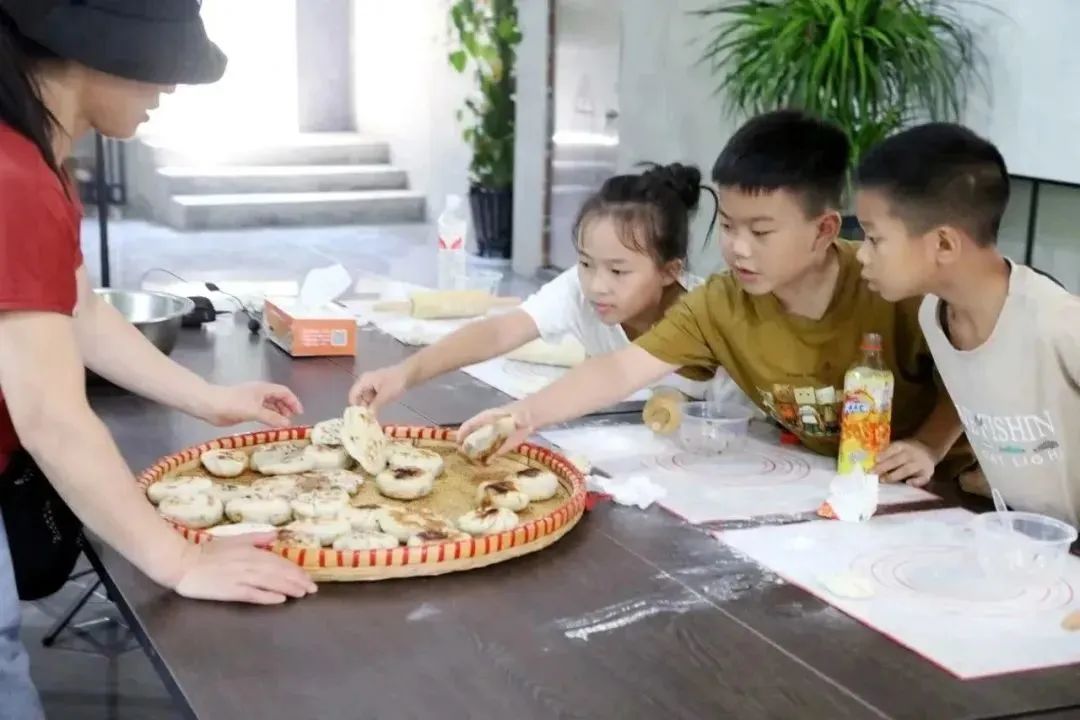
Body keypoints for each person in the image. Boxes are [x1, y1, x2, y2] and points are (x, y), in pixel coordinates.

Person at [0, 1, 316, 716]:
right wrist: (180, 559)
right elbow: (50, 416)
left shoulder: (36, 159)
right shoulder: (13, 178)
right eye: (159, 67)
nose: (168, 88)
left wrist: (208, 399)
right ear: (89, 52)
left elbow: (80, 311)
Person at [457, 110, 971, 486]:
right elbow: (618, 371)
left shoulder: (890, 283)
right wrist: (523, 416)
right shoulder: (721, 303)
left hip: (944, 483)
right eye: (727, 225)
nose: (738, 248)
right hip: (838, 481)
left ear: (823, 230)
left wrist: (929, 445)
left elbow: (973, 367)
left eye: (761, 232)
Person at [349, 163, 739, 410]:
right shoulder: (577, 292)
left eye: (619, 271)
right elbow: (499, 331)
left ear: (670, 271)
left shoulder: (708, 313)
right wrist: (404, 374)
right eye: (586, 263)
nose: (597, 285)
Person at [854, 122, 1080, 524]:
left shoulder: (1057, 322)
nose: (861, 254)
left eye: (874, 239)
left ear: (943, 243)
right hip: (1022, 536)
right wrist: (929, 446)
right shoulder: (933, 315)